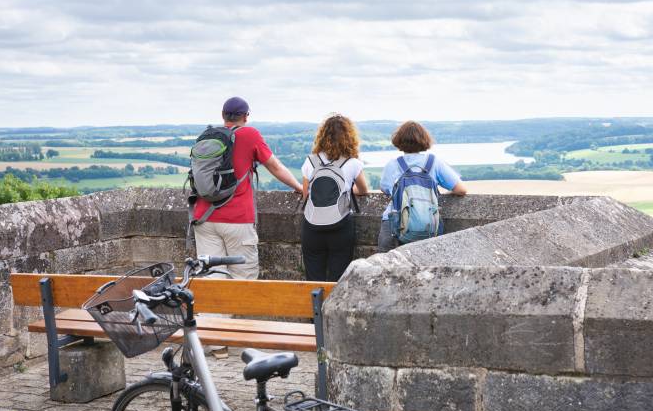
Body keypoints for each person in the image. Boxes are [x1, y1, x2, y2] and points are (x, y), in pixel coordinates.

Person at [192, 97, 302, 358]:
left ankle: (212, 339)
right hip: (237, 220)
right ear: (245, 116)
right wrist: (299, 188)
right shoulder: (250, 134)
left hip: (204, 217)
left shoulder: (208, 136)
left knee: (212, 278)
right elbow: (274, 165)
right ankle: (219, 335)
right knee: (243, 280)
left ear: (223, 115)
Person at [378, 121, 467, 252]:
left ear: (399, 141)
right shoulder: (434, 162)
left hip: (393, 225)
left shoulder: (393, 164)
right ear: (424, 140)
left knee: (384, 268)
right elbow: (461, 190)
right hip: (427, 224)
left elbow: (385, 188)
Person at [301, 114, 369, 281]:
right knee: (338, 279)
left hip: (312, 226)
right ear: (349, 136)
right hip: (340, 226)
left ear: (322, 136)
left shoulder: (310, 161)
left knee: (313, 278)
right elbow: (363, 190)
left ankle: (315, 307)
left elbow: (306, 194)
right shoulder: (352, 163)